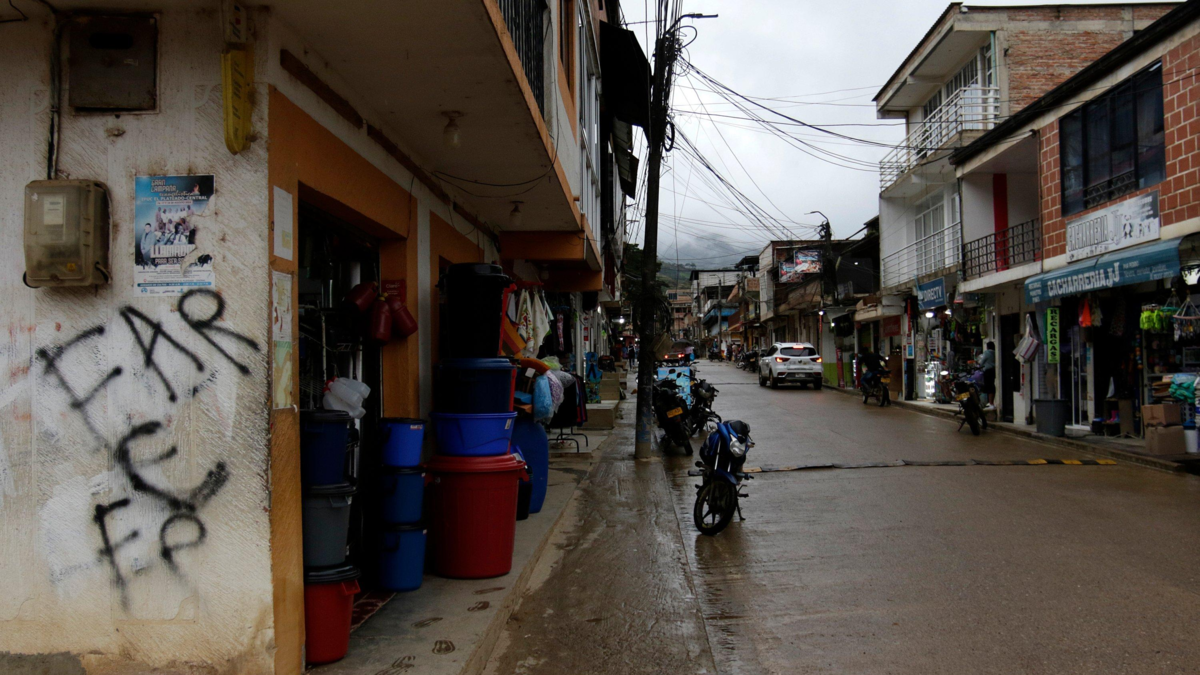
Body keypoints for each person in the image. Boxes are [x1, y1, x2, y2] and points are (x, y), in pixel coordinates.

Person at [978, 341, 997, 408]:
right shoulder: (995, 353)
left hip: (988, 371)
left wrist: (979, 365)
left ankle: (990, 402)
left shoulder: (987, 352)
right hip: (993, 371)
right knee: (991, 385)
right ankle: (991, 402)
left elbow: (982, 362)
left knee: (988, 386)